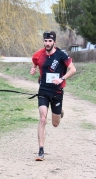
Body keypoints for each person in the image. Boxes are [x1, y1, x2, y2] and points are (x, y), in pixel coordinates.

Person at [30, 31, 76, 161]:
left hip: (57, 93)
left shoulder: (61, 55)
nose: (47, 43)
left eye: (50, 41)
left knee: (55, 123)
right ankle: (41, 150)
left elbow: (73, 69)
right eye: (45, 41)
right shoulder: (38, 54)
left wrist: (62, 78)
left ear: (54, 42)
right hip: (43, 90)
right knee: (43, 118)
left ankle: (59, 111)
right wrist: (33, 69)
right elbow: (34, 62)